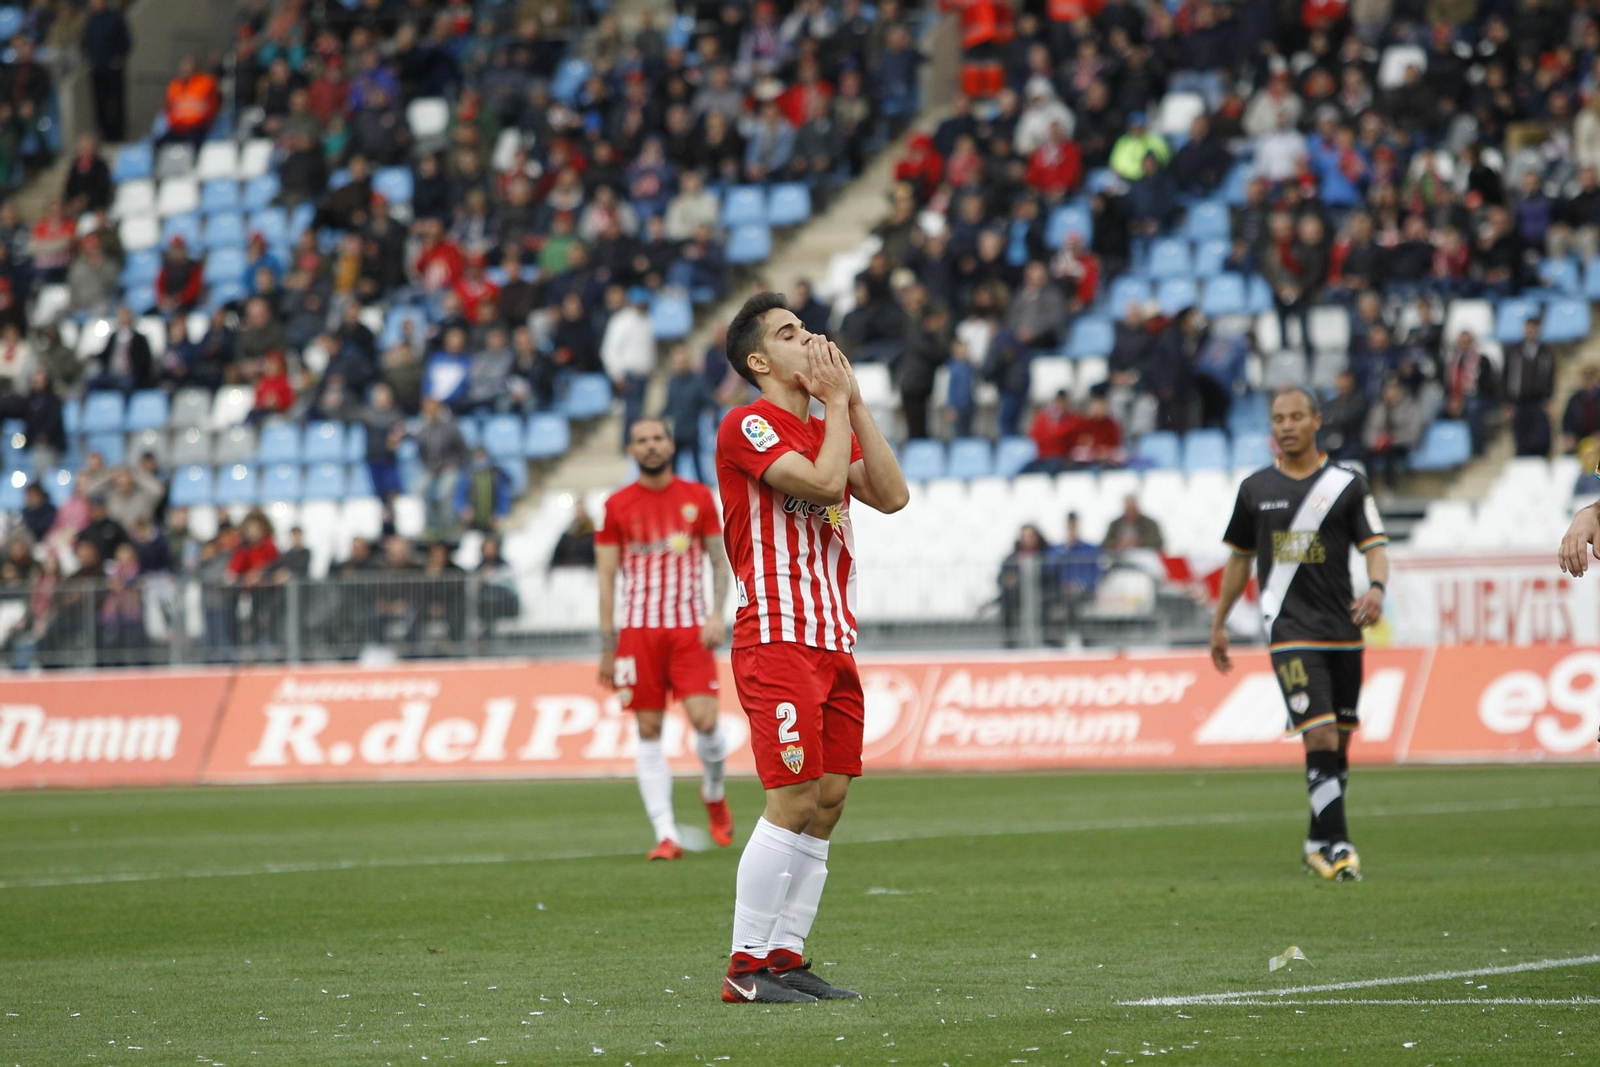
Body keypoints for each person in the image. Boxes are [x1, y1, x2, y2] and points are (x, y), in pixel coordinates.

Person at [715, 292, 908, 1004]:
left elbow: (891, 495)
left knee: (828, 800)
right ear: (760, 361)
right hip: (777, 632)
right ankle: (745, 965)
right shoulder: (749, 425)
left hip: (832, 635)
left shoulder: (828, 425)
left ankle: (786, 955)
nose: (812, 338)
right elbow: (827, 483)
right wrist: (831, 407)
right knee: (792, 795)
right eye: (792, 333)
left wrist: (851, 402)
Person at [1212, 386, 1390, 884]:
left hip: (1344, 629)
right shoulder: (1254, 489)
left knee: (1339, 745)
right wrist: (1219, 622)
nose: (1285, 425)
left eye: (1295, 416)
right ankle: (1338, 846)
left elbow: (1375, 546)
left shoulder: (1347, 485)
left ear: (1315, 421)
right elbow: (1237, 560)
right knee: (1320, 733)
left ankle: (1316, 839)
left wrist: (1376, 588)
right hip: (1289, 631)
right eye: (1277, 418)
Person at [595, 417, 735, 862]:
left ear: (671, 445)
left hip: (689, 628)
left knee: (707, 721)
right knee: (648, 729)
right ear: (631, 450)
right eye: (642, 441)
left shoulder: (697, 498)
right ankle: (667, 833)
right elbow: (606, 578)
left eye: (658, 438)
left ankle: (713, 790)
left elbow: (719, 560)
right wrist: (607, 644)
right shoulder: (617, 505)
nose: (651, 446)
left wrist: (717, 614)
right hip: (638, 632)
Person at [661, 345, 716, 483]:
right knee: (672, 469)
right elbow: (669, 405)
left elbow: (709, 402)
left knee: (699, 469)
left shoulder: (698, 381)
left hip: (693, 432)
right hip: (677, 432)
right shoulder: (672, 382)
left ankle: (704, 491)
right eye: (678, 362)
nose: (680, 365)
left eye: (683, 361)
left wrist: (715, 417)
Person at [1503, 318, 1556, 457]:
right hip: (1519, 400)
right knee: (1520, 435)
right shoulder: (1514, 351)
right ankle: (1522, 460)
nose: (1531, 332)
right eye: (1529, 329)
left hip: (1538, 400)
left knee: (1540, 435)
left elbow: (1550, 376)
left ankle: (1541, 457)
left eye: (1534, 329)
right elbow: (1506, 376)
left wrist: (1548, 397)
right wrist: (1506, 401)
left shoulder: (1545, 352)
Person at [82, 0, 132, 142]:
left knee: (116, 103)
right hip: (97, 70)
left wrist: (118, 59)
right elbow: (85, 43)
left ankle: (118, 135)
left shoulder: (115, 18)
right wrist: (89, 59)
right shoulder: (91, 21)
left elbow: (126, 42)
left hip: (113, 70)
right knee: (99, 104)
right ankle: (104, 135)